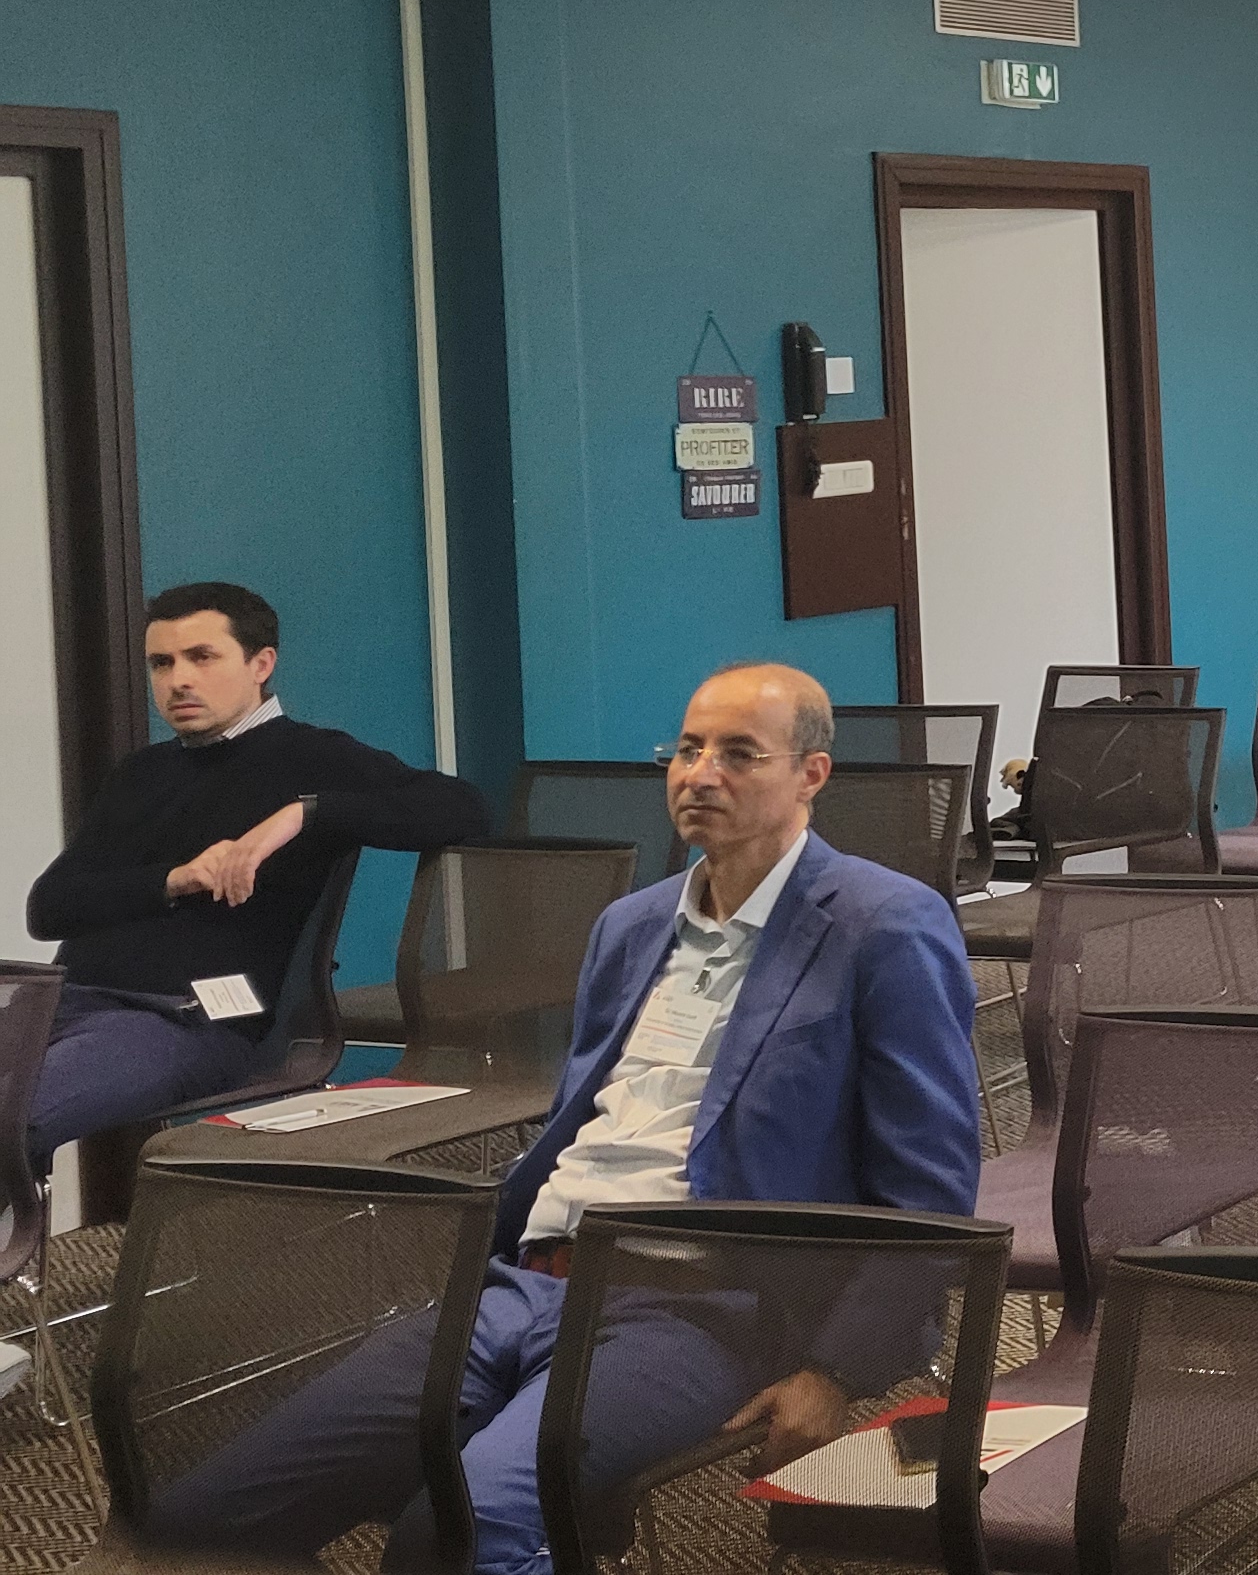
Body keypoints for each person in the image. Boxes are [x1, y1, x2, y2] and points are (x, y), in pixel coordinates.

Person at [145, 662, 983, 1575]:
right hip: (527, 1280)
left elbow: (931, 1184)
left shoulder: (882, 923)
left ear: (811, 775)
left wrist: (836, 1370)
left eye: (739, 754)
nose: (700, 775)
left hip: (704, 1306)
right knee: (201, 1524)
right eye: (688, 750)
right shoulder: (631, 925)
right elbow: (583, 1120)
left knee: (451, 1535)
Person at [25, 582, 487, 1168]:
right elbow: (49, 908)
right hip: (65, 1006)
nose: (178, 680)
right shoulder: (142, 772)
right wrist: (176, 879)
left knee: (14, 1115)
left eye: (202, 657)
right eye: (162, 663)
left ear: (261, 664)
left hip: (189, 1021)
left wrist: (303, 814)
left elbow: (466, 809)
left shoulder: (314, 757)